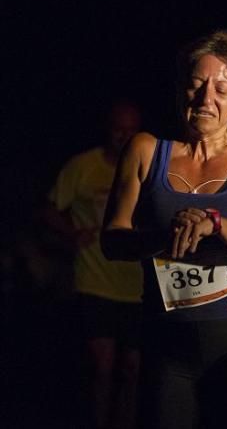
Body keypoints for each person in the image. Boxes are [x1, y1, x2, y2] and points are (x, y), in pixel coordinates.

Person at [101, 30, 227, 429]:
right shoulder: (146, 149)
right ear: (180, 90)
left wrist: (215, 224)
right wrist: (165, 234)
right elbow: (112, 240)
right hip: (166, 343)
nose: (207, 100)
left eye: (221, 89)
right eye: (197, 85)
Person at [44, 100, 143, 429]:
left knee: (132, 368)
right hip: (95, 282)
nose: (123, 137)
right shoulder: (83, 166)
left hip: (137, 287)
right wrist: (72, 233)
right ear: (107, 128)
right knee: (102, 367)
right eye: (118, 129)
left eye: (131, 131)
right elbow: (49, 209)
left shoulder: (145, 169)